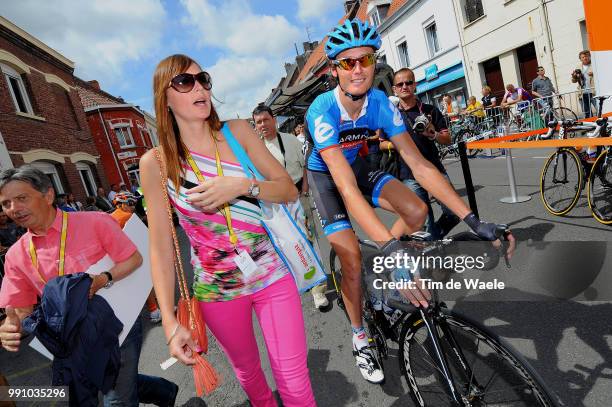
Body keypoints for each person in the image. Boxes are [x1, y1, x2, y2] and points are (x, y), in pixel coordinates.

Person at [305, 19, 506, 384]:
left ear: (374, 63)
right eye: (347, 62)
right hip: (329, 180)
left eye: (365, 60)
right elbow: (347, 190)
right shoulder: (322, 110)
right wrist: (392, 250)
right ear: (334, 68)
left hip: (360, 164)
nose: (357, 70)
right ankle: (360, 336)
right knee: (350, 259)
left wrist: (474, 221)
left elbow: (419, 165)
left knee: (417, 209)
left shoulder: (381, 103)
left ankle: (382, 268)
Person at [139, 54, 315, 406]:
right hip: (217, 292)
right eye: (185, 82)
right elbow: (159, 246)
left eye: (202, 79)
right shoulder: (156, 163)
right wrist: (171, 321)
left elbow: (288, 189)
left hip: (271, 275)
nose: (200, 87)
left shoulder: (236, 132)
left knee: (294, 381)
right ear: (165, 98)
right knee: (250, 374)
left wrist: (242, 187)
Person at [0, 165, 178, 406]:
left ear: (48, 195)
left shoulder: (95, 221)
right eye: (6, 203)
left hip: (118, 324)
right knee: (107, 381)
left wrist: (102, 279)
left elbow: (133, 259)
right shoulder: (15, 255)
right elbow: (20, 311)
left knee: (116, 397)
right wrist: (12, 326)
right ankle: (163, 392)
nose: (14, 209)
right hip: (71, 339)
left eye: (21, 198)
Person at [251, 104, 327, 310]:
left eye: (266, 120)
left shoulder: (291, 140)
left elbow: (304, 166)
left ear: (273, 120)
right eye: (258, 122)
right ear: (255, 126)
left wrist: (304, 188)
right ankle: (297, 282)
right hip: (276, 204)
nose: (263, 125)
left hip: (297, 196)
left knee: (309, 239)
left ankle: (318, 289)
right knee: (285, 244)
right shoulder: (255, 150)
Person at [385, 67, 461, 240]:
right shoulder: (390, 115)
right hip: (409, 174)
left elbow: (447, 138)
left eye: (408, 82)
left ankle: (432, 240)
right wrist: (395, 144)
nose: (405, 86)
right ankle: (432, 251)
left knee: (454, 211)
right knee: (425, 221)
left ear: (415, 85)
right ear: (394, 89)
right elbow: (381, 143)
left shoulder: (430, 110)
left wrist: (433, 134)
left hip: (434, 169)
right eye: (400, 84)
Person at [571, 50, 596, 117]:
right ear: (580, 59)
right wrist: (574, 76)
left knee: (600, 109)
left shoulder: (595, 64)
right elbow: (573, 81)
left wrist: (594, 74)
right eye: (583, 57)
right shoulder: (578, 67)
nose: (585, 58)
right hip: (583, 93)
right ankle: (591, 126)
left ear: (590, 56)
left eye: (586, 56)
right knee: (587, 113)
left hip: (594, 92)